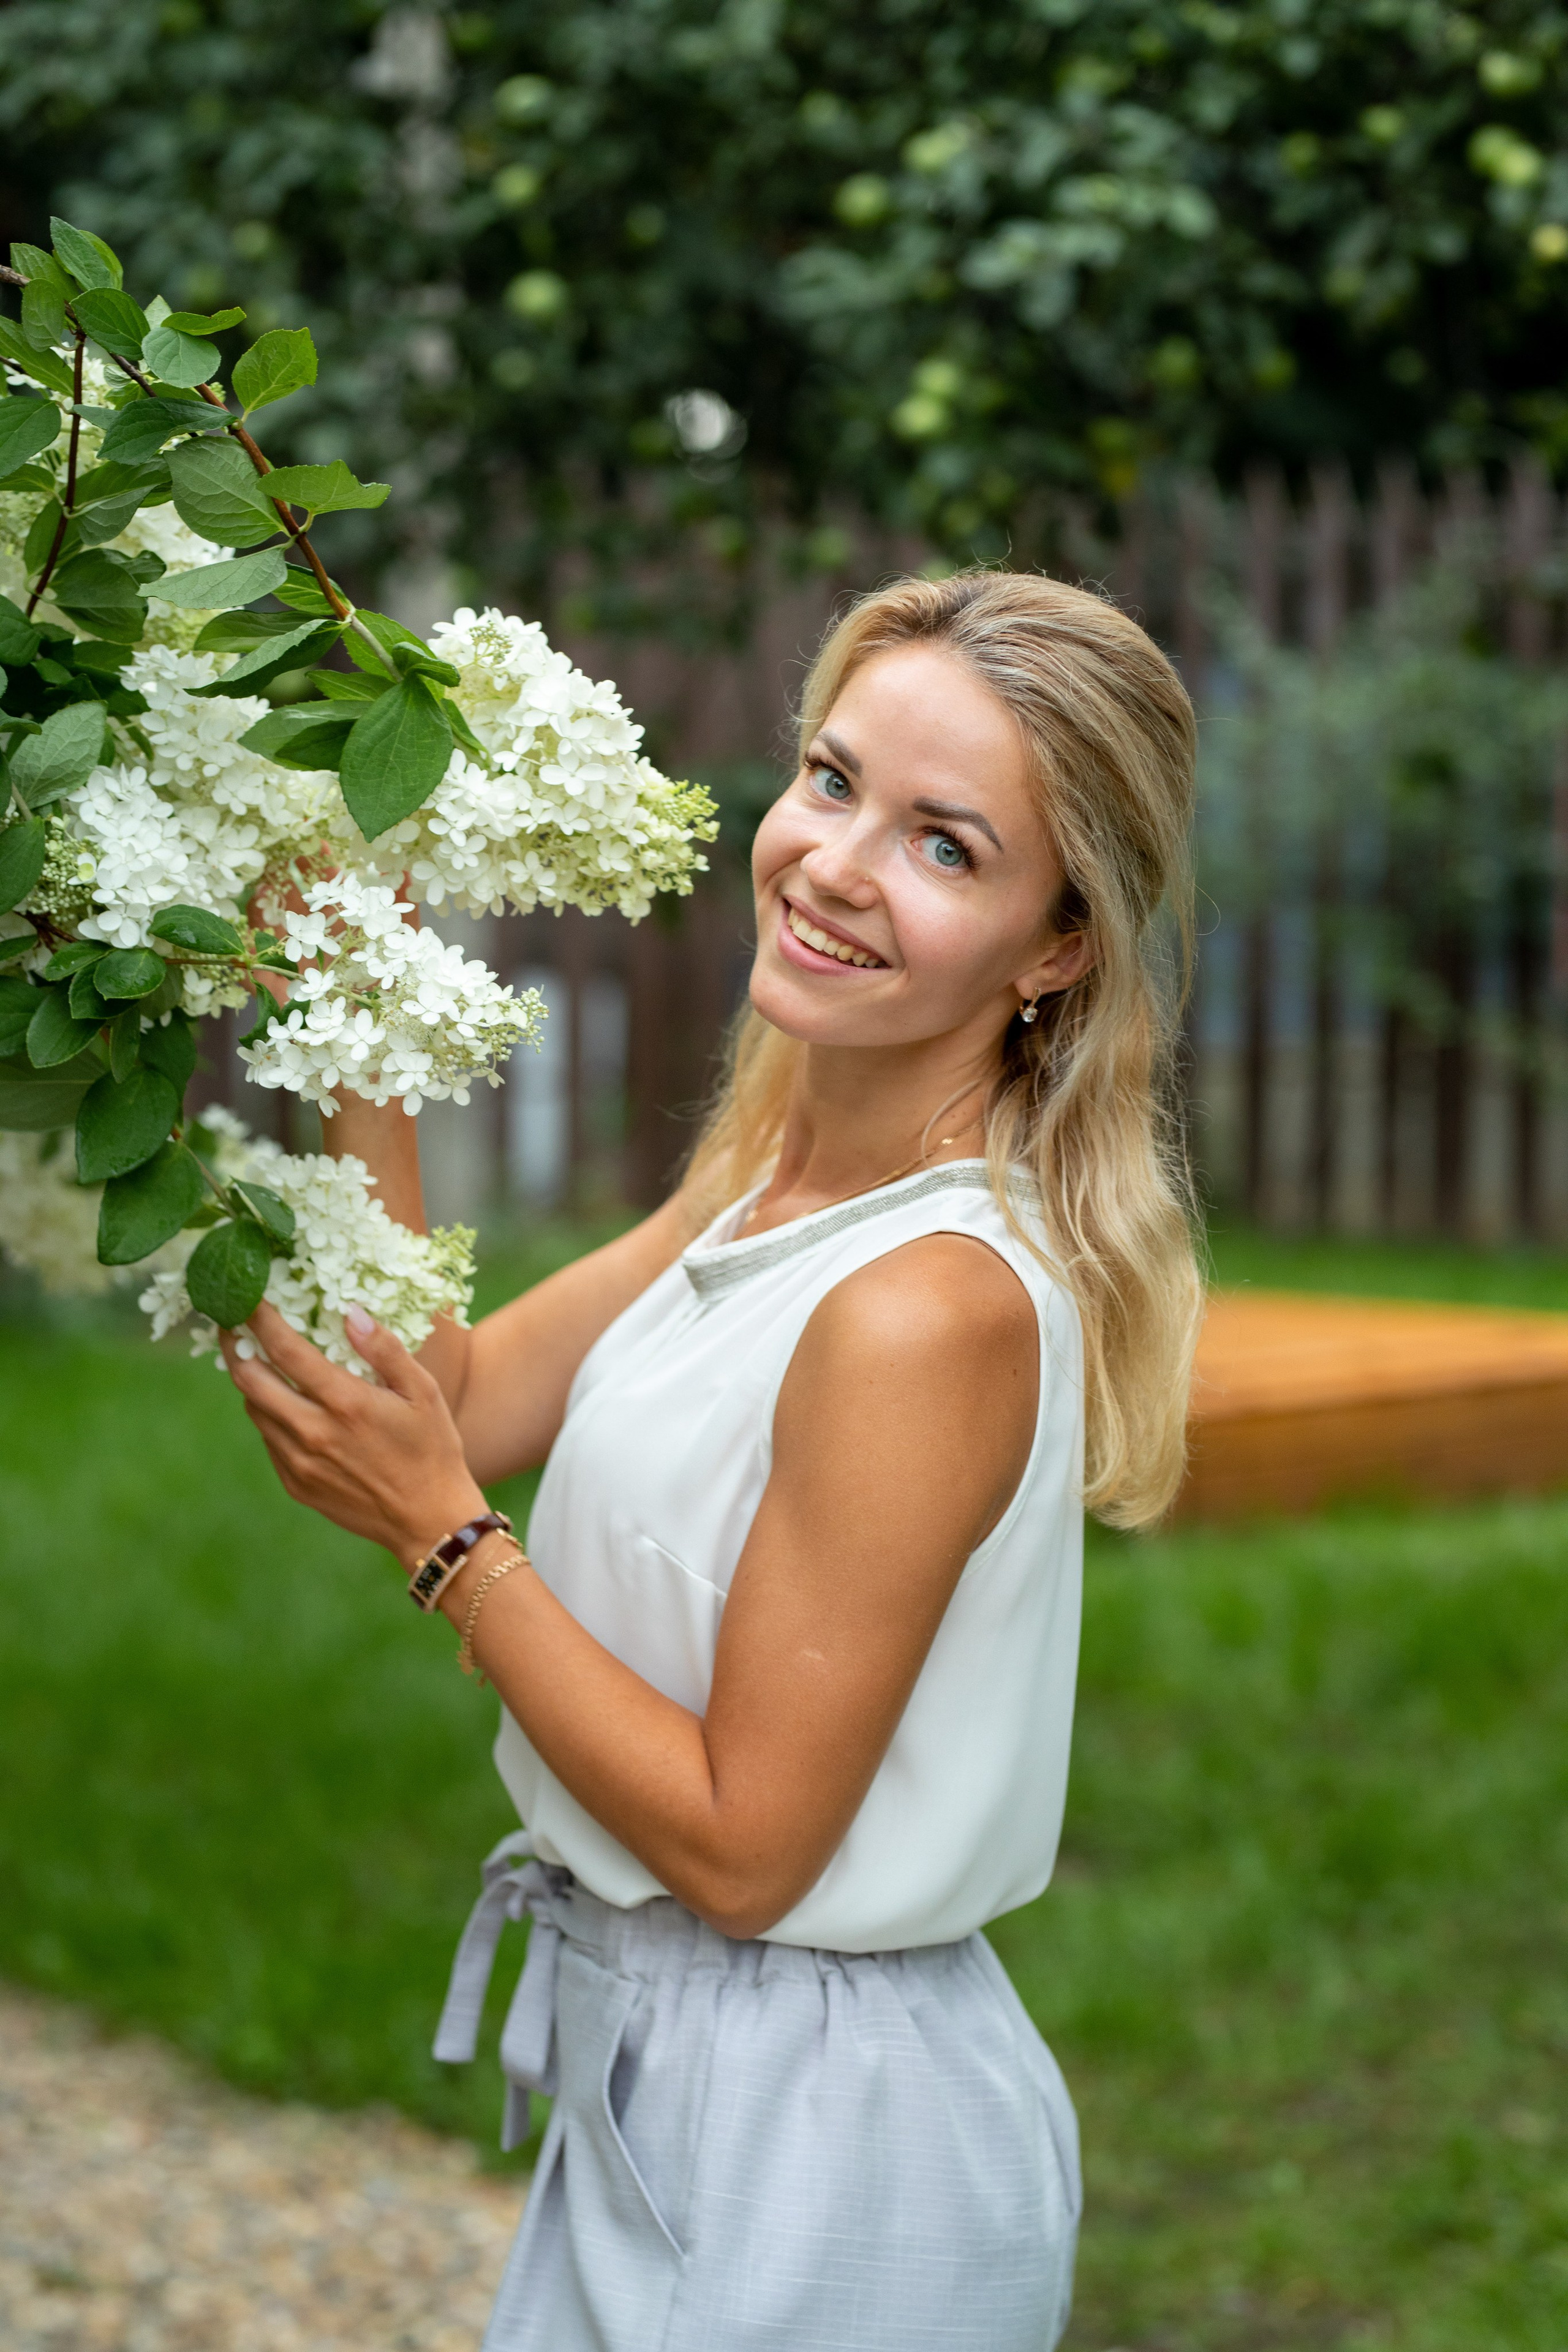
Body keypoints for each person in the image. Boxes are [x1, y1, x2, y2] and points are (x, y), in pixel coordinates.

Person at [222, 568, 1203, 2351]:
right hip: (668, 2071)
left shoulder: (926, 1305)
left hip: (822, 2145)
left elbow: (750, 1849)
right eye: (832, 781)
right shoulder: (766, 1188)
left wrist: (448, 1543)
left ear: (1061, 945)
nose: (833, 863)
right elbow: (437, 1389)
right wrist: (353, 988)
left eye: (947, 847)